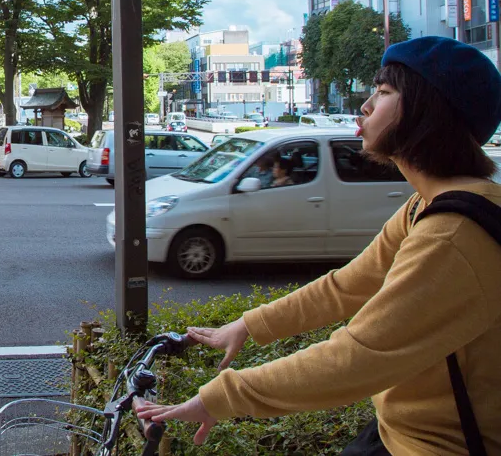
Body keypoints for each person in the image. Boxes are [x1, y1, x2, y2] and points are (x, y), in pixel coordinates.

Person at [134, 36, 501, 455]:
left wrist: (220, 398)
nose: (365, 105)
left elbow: (359, 356)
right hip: (396, 433)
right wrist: (248, 326)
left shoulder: (454, 233)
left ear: (426, 111)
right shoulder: (427, 205)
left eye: (382, 93)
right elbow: (348, 285)